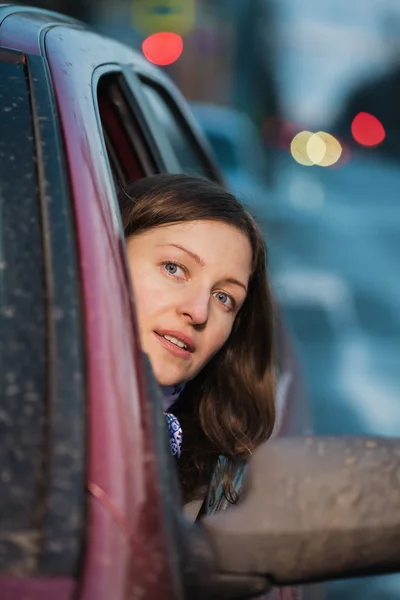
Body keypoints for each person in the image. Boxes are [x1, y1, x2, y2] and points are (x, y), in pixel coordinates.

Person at [118, 173, 276, 518]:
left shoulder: (219, 470)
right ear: (107, 257)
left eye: (224, 298)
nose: (199, 311)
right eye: (174, 268)